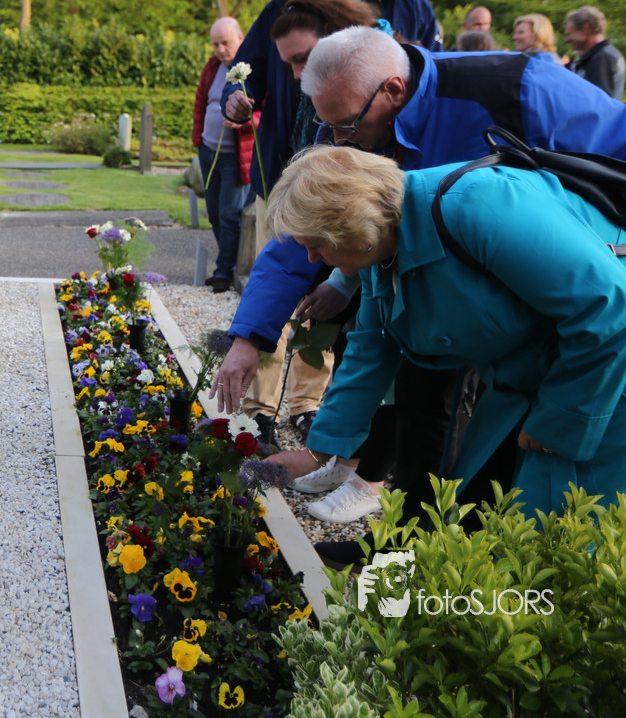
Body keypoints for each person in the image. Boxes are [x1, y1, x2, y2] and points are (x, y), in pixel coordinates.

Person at [262, 145, 626, 517]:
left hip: (601, 377)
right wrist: (316, 452)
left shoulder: (478, 204)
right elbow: (371, 348)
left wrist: (560, 419)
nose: (312, 259)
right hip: (526, 383)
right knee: (475, 515)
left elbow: (610, 306)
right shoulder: (379, 247)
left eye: (316, 245)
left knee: (559, 526)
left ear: (352, 225)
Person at [216, 0, 441, 442]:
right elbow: (247, 68)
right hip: (299, 169)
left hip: (377, 184)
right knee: (295, 278)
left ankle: (318, 416)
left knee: (358, 312)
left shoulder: (407, 4)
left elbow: (428, 95)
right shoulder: (287, 5)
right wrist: (236, 96)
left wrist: (344, 277)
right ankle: (265, 411)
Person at [191, 17, 255, 293]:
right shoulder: (212, 66)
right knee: (214, 213)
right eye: (215, 44)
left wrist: (246, 122)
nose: (219, 50)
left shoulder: (251, 70)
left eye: (225, 43)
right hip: (208, 151)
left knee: (230, 214)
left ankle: (223, 271)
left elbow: (264, 112)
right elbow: (201, 102)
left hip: (235, 157)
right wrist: (198, 140)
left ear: (240, 38)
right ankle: (227, 265)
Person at [564, 5, 625, 101]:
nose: (566, 40)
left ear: (585, 29)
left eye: (569, 34)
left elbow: (598, 103)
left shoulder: (603, 58)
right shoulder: (601, 55)